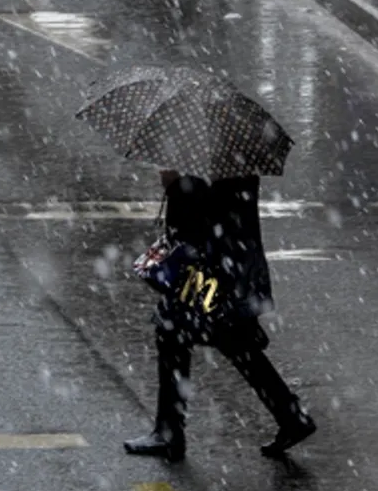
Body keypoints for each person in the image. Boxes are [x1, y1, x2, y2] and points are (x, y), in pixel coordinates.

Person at [124, 169, 316, 462]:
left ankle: (169, 432)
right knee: (234, 341)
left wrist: (174, 186)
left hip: (206, 272)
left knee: (174, 334)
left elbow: (192, 220)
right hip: (232, 266)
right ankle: (291, 417)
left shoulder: (202, 168)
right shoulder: (235, 161)